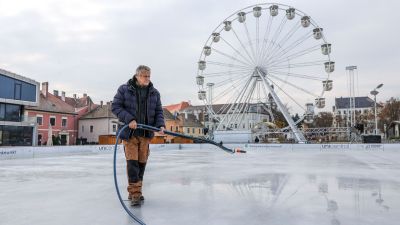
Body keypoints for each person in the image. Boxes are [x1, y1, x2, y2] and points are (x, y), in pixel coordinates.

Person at [112, 65, 165, 206]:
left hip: (146, 134)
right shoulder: (124, 89)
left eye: (149, 76)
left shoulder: (154, 93)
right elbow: (115, 107)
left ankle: (135, 191)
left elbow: (159, 111)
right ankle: (135, 194)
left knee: (141, 164)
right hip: (130, 134)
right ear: (137, 76)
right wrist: (129, 119)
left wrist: (160, 126)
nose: (147, 78)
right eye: (144, 76)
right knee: (133, 164)